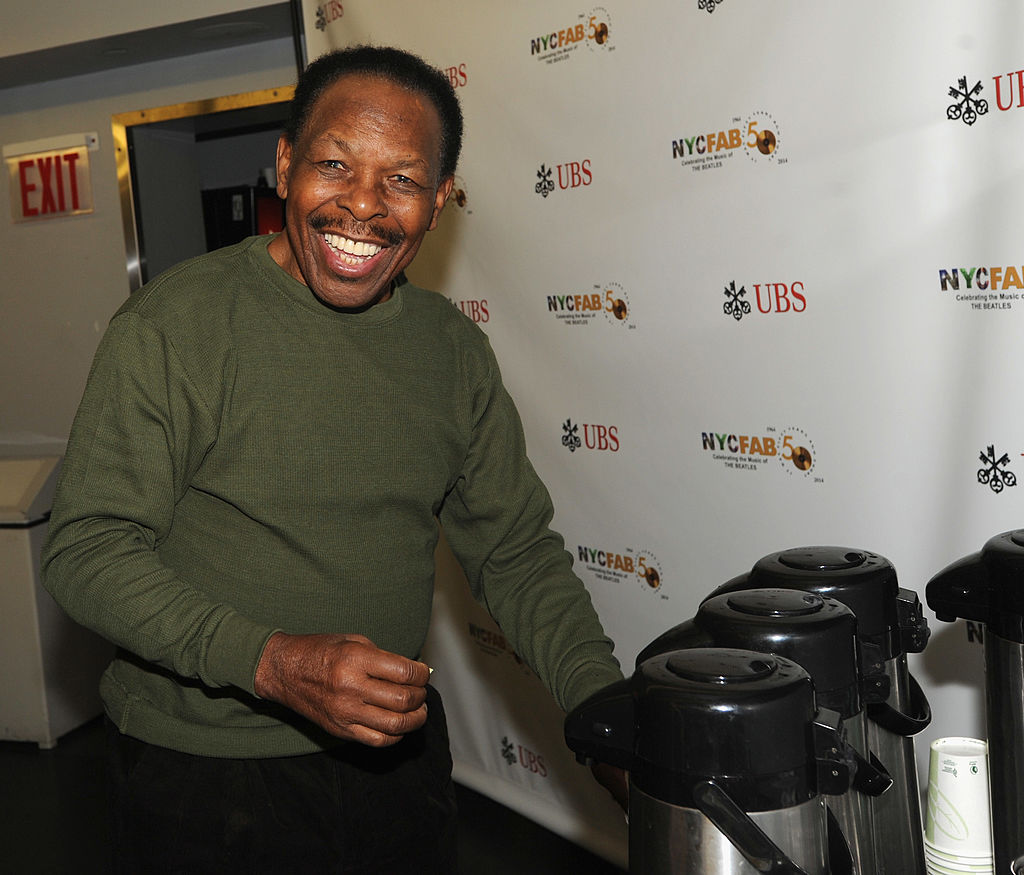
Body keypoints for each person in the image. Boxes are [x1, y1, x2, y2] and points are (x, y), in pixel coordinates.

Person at [42, 45, 625, 873]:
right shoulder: (174, 327)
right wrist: (271, 662)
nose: (362, 204)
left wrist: (605, 711)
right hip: (201, 773)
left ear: (440, 201)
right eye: (335, 165)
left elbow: (516, 552)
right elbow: (87, 550)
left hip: (396, 765)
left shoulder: (452, 352)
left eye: (402, 179)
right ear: (286, 166)